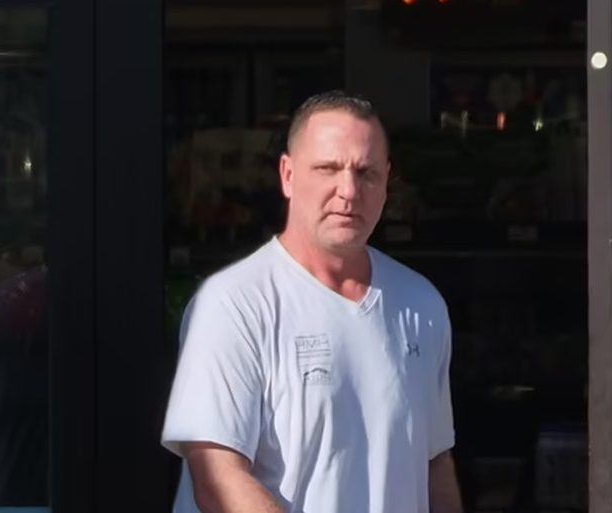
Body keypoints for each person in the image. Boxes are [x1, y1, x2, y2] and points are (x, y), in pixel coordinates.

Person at [161, 90, 464, 513]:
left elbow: (434, 464)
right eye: (328, 168)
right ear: (287, 175)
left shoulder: (421, 305)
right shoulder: (234, 304)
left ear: (386, 181)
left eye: (367, 172)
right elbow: (217, 476)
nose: (348, 190)